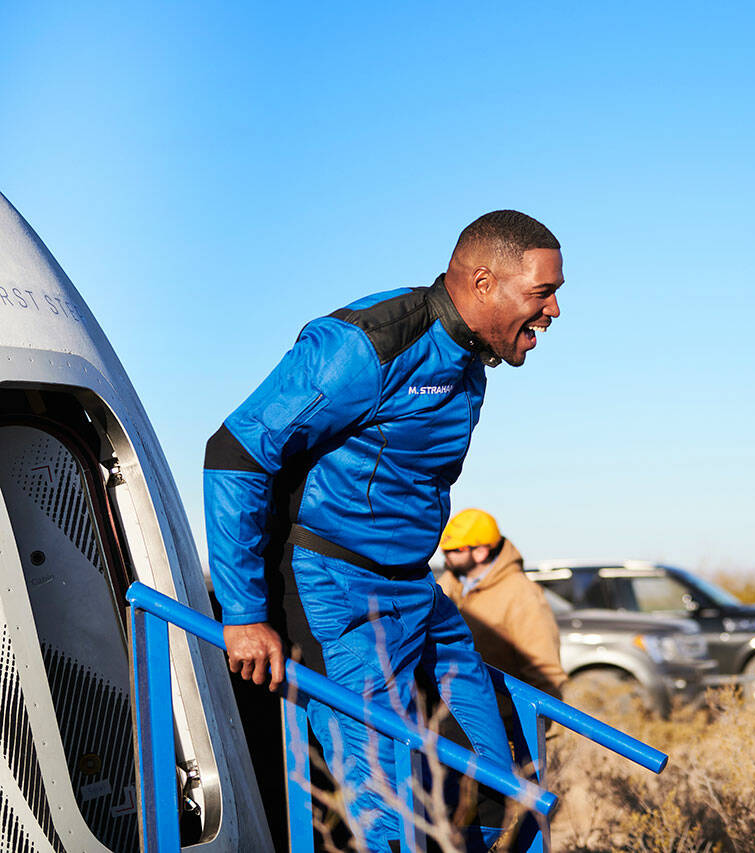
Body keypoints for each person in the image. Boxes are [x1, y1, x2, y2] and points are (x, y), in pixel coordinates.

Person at [203, 210, 564, 851]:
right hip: (335, 590)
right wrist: (243, 611)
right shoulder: (369, 344)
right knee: (394, 812)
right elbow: (237, 451)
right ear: (483, 283)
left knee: (490, 783)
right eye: (542, 293)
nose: (554, 310)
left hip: (416, 592)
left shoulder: (471, 364)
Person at [437, 508, 568, 701]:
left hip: (501, 721)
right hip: (451, 715)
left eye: (455, 550)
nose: (445, 554)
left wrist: (545, 730)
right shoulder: (447, 584)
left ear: (481, 552)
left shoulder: (522, 594)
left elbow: (545, 672)